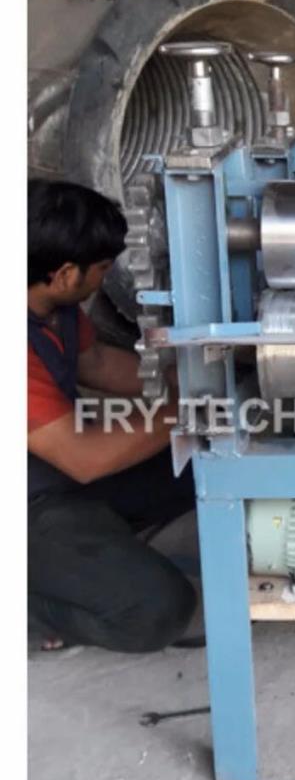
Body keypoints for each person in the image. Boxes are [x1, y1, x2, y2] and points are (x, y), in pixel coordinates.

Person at [28, 180, 197, 652]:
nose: (104, 279)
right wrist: (188, 406)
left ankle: (87, 554)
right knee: (157, 611)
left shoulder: (50, 304)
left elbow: (96, 362)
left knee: (199, 460)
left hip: (54, 470)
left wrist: (190, 378)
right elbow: (84, 458)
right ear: (65, 273)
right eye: (101, 268)